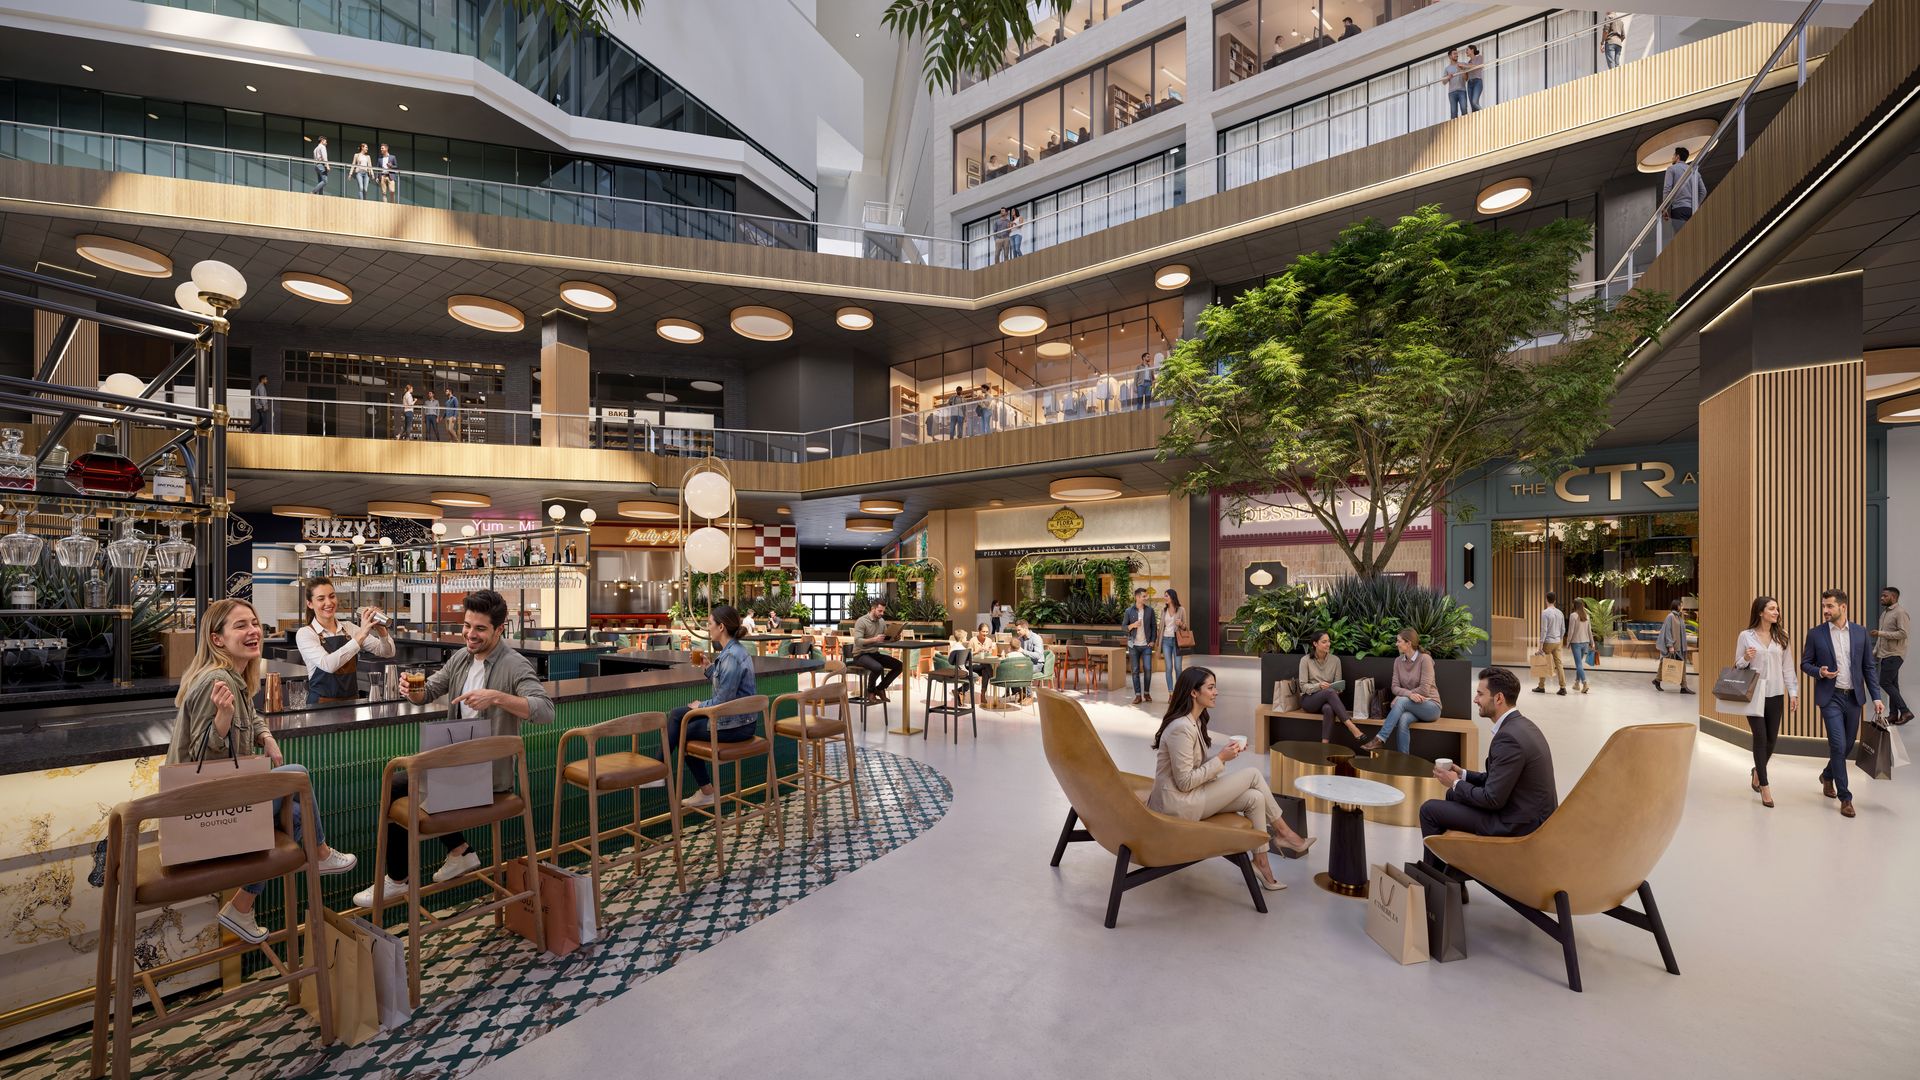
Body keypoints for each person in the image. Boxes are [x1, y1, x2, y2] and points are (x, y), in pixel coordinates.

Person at [169, 599, 357, 943]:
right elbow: (197, 759)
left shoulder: (232, 677)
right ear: (217, 639)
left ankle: (244, 905)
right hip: (201, 808)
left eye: (254, 623)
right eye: (240, 626)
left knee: (298, 815)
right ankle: (319, 854)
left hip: (225, 799)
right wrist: (222, 724)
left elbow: (249, 716)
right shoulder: (215, 681)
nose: (253, 631)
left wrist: (264, 736)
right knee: (296, 776)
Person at [355, 589, 554, 909]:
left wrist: (497, 697)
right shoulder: (461, 657)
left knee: (409, 782)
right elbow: (430, 691)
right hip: (457, 766)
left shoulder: (514, 665)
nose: (470, 635)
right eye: (466, 626)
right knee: (396, 782)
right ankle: (454, 854)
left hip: (490, 777)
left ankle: (403, 878)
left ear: (499, 630)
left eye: (480, 629)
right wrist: (412, 690)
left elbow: (545, 711)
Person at [1148, 667, 1314, 891]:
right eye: (1210, 687)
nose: (1216, 692)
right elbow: (1185, 782)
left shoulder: (1195, 721)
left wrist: (1224, 756)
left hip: (1190, 796)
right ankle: (1285, 834)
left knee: (1255, 798)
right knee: (1253, 774)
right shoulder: (1181, 728)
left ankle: (1262, 863)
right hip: (1178, 805)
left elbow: (1195, 772)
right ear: (1193, 693)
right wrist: (1221, 759)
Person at [1420, 667, 1558, 870]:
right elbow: (1500, 779)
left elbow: (1492, 799)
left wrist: (1454, 782)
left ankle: (1433, 880)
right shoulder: (1522, 725)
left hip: (1517, 825)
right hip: (1525, 813)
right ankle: (1452, 878)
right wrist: (1463, 775)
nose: (1475, 699)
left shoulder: (1508, 738)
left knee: (1429, 810)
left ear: (1499, 698)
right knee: (1453, 795)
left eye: (1480, 694)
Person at [1800, 588, 1885, 819]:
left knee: (1847, 745)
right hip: (1831, 698)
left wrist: (1876, 697)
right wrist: (1820, 671)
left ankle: (1828, 775)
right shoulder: (1816, 634)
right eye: (1823, 606)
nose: (1825, 610)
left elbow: (1868, 667)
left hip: (1854, 698)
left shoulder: (1860, 633)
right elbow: (1805, 664)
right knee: (1837, 745)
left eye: (1830, 606)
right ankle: (1845, 797)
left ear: (1843, 607)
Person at [665, 606, 761, 810]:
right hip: (737, 719)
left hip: (736, 725)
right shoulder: (732, 651)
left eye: (710, 624)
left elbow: (723, 702)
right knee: (676, 715)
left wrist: (701, 706)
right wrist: (709, 669)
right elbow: (729, 687)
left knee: (683, 731)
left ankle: (701, 789)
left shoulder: (731, 656)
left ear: (721, 627)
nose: (708, 628)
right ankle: (659, 768)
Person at [1735, 596, 1797, 809]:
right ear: (1760, 612)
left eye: (1777, 609)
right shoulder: (1746, 636)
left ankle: (1756, 771)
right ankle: (1765, 785)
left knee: (1772, 739)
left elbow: (1787, 667)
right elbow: (1738, 664)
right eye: (1772, 609)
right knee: (1760, 737)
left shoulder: (1782, 636)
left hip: (1776, 693)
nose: (1776, 612)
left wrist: (1794, 693)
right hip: (1754, 694)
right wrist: (1746, 657)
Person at [295, 576, 394, 704]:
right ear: (310, 604)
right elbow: (328, 665)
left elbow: (387, 652)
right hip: (319, 707)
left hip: (351, 704)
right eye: (321, 599)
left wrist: (382, 631)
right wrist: (361, 635)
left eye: (332, 596)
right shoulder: (305, 634)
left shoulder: (349, 628)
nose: (329, 603)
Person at [1364, 628, 1441, 753]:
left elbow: (1425, 689)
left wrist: (1403, 697)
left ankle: (1380, 738)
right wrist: (1409, 695)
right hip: (1411, 706)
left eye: (1399, 641)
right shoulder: (1398, 661)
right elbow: (1394, 687)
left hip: (1431, 706)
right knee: (1403, 719)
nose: (1396, 644)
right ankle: (1403, 760)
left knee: (1401, 702)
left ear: (1408, 643)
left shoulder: (1425, 659)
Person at [1298, 630, 1362, 743]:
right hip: (1309, 700)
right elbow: (1303, 687)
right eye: (1324, 642)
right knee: (1329, 692)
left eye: (1329, 641)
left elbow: (1338, 684)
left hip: (1329, 700)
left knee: (1328, 708)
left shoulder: (1335, 660)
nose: (1328, 644)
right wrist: (1319, 686)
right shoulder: (1305, 660)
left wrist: (1338, 690)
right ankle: (1351, 727)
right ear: (1315, 644)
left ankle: (1324, 745)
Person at [847, 600, 903, 704]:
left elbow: (884, 639)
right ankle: (870, 692)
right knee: (878, 668)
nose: (882, 614)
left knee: (899, 665)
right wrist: (874, 639)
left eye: (883, 611)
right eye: (880, 611)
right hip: (860, 655)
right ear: (873, 609)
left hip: (874, 654)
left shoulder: (881, 621)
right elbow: (858, 641)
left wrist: (894, 639)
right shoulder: (861, 621)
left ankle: (880, 688)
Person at [1871, 586, 1909, 725]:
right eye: (1882, 596)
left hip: (1895, 654)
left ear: (1893, 597)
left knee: (1884, 682)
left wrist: (1880, 633)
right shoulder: (1885, 613)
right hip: (1886, 655)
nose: (1882, 598)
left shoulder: (1900, 613)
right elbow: (1881, 639)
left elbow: (1903, 633)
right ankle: (1893, 715)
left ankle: (1905, 711)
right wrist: (1874, 653)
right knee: (1893, 685)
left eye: (1885, 596)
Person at [1123, 587, 1157, 705]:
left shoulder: (1150, 611)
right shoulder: (1129, 611)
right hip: (1133, 645)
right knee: (1135, 670)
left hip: (1146, 645)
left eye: (1146, 596)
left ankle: (1146, 692)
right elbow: (1124, 627)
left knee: (1148, 669)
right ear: (1137, 597)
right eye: (1144, 596)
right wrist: (1133, 625)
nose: (1146, 598)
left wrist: (1152, 641)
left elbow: (1154, 627)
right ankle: (1138, 695)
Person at [1661, 146, 1707, 232]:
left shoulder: (1671, 169)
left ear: (1677, 156)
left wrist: (1664, 208)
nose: (1672, 158)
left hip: (1679, 209)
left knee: (1681, 237)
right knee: (1691, 236)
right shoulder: (1694, 171)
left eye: (1673, 155)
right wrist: (1696, 205)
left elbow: (1667, 189)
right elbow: (1703, 191)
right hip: (1692, 210)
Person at [1653, 597, 1691, 693]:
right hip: (1674, 646)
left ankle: (1683, 686)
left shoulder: (1679, 616)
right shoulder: (1670, 616)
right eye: (1681, 605)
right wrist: (1670, 646)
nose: (1682, 607)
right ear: (1677, 606)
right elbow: (1667, 631)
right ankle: (1682, 686)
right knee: (1667, 663)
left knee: (1681, 665)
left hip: (1681, 646)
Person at [1535, 591, 1567, 695]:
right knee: (1559, 664)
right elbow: (1563, 629)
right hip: (1557, 641)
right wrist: (1560, 639)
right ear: (1555, 601)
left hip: (1548, 642)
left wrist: (1540, 645)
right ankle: (1563, 687)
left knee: (1544, 663)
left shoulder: (1545, 613)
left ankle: (1541, 686)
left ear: (1546, 600)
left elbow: (1544, 630)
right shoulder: (1560, 613)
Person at [1159, 587, 1187, 693]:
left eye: (1166, 595)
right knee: (1169, 667)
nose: (1164, 597)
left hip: (1177, 641)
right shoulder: (1164, 610)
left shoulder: (1181, 610)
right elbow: (1161, 626)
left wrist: (1181, 624)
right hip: (1166, 641)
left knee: (1178, 667)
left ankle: (1178, 691)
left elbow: (1185, 627)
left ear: (1172, 596)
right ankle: (1171, 692)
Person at [1566, 602, 1594, 694]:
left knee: (1578, 664)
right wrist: (1592, 642)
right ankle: (1577, 684)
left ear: (1574, 606)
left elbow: (1571, 631)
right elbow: (1589, 630)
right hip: (1585, 643)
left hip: (1576, 643)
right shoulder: (1587, 616)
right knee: (1580, 664)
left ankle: (1585, 683)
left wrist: (1568, 642)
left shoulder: (1573, 616)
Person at [1443, 50, 1468, 119]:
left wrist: (1462, 70)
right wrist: (1448, 77)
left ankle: (1467, 127)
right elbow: (1443, 82)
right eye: (1454, 54)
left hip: (1462, 91)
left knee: (1464, 109)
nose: (1456, 55)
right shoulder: (1447, 68)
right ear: (1450, 56)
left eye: (1457, 54)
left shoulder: (1462, 64)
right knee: (1453, 112)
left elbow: (1466, 78)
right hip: (1452, 93)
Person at [1465, 45, 1486, 111]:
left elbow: (1476, 66)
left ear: (1472, 50)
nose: (1466, 52)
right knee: (1473, 106)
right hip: (1469, 83)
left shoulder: (1479, 57)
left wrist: (1464, 65)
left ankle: (1485, 113)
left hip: (1477, 82)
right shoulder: (1468, 63)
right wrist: (1462, 70)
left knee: (1474, 102)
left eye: (1467, 50)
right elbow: (1466, 78)